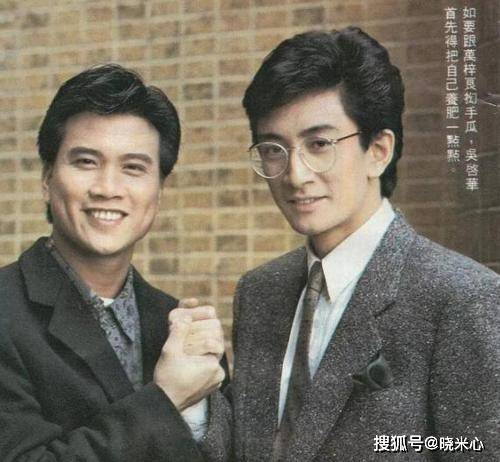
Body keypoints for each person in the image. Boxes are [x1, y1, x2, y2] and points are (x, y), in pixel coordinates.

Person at [231, 27, 500, 461]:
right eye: (274, 148)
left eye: (319, 144)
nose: (295, 175)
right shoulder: (260, 292)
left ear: (378, 150)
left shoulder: (461, 297)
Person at [0, 64, 230, 461]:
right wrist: (167, 399)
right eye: (86, 162)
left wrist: (196, 414)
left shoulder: (180, 329)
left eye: (133, 168)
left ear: (159, 190)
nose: (108, 188)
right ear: (47, 178)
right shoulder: (5, 312)